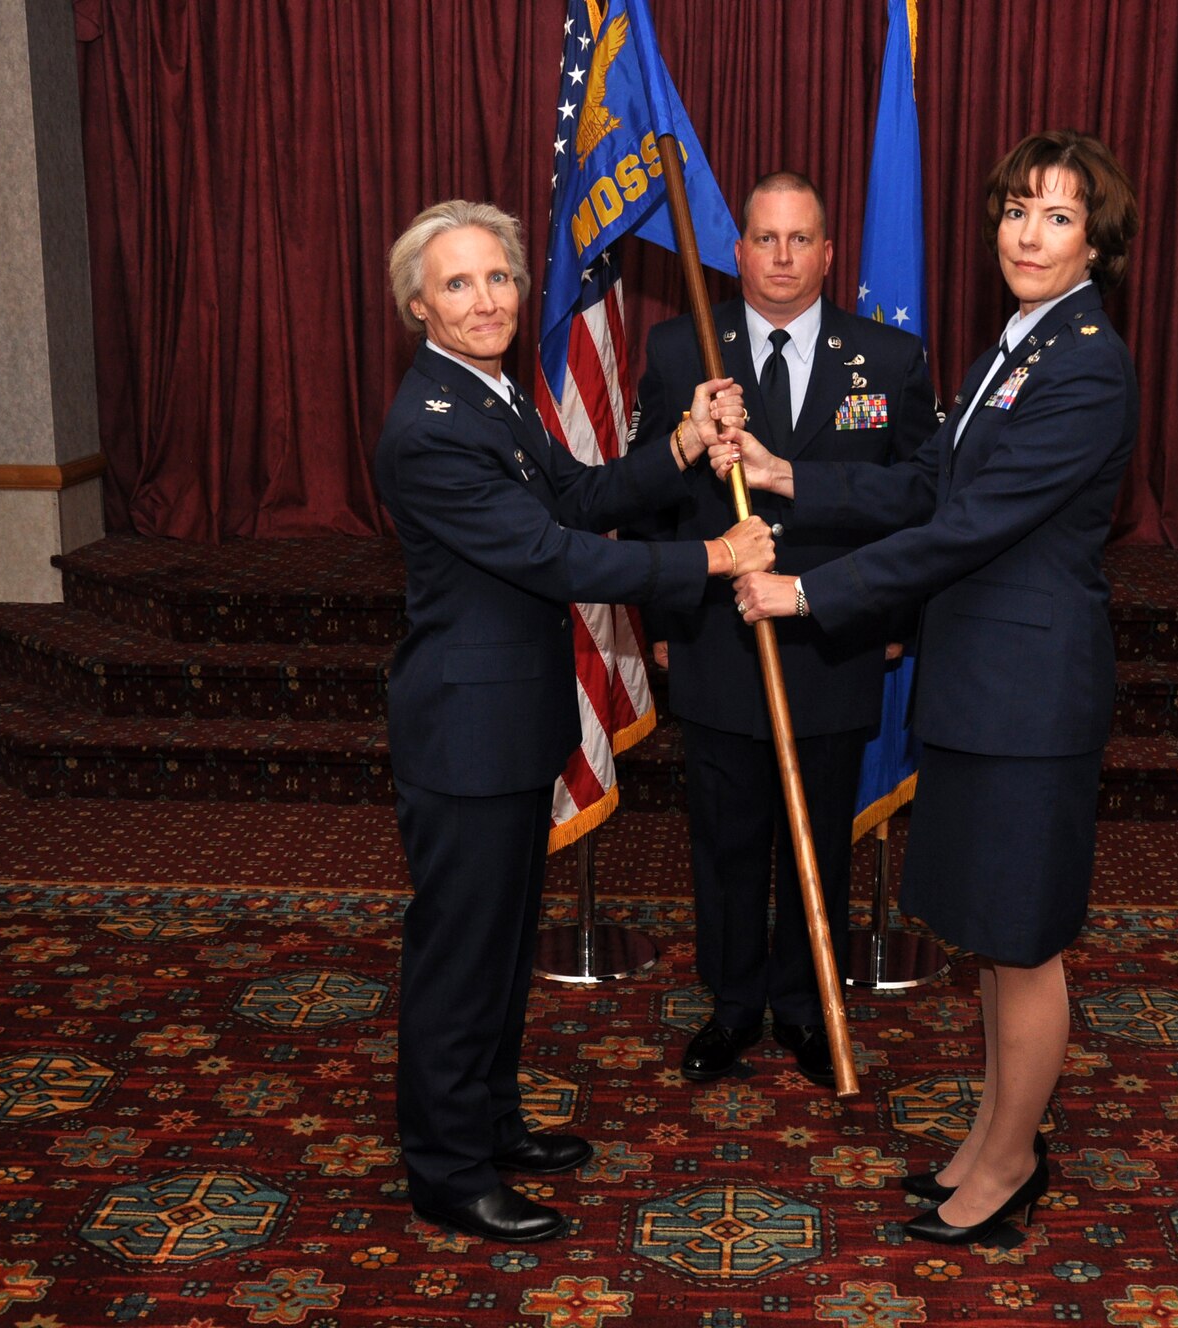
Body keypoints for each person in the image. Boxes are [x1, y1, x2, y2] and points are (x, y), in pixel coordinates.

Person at [715, 130, 1140, 1245]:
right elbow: (926, 484)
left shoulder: (1085, 360)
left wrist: (809, 596)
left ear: (1095, 238)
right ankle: (995, 1134)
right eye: (1014, 210)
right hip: (981, 679)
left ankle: (1008, 1161)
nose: (1027, 233)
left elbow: (967, 527)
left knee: (1024, 938)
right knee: (993, 936)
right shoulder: (1019, 342)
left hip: (1027, 696)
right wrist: (788, 472)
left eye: (1055, 215)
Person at [373, 200, 772, 1244]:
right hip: (463, 731)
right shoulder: (430, 427)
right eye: (456, 284)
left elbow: (583, 494)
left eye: (498, 277)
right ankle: (447, 1168)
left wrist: (682, 441)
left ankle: (489, 1119)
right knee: (460, 953)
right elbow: (554, 554)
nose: (485, 299)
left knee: (502, 945)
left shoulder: (496, 396)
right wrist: (710, 559)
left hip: (507, 719)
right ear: (417, 303)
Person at [632, 172, 938, 1087]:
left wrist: (893, 617)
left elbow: (919, 504)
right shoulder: (682, 342)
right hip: (719, 636)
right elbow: (651, 494)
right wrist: (662, 619)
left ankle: (806, 1006)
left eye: (800, 240)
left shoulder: (890, 360)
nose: (781, 258)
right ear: (738, 251)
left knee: (824, 840)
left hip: (837, 633)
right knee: (725, 838)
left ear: (829, 254)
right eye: (765, 239)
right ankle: (731, 1005)